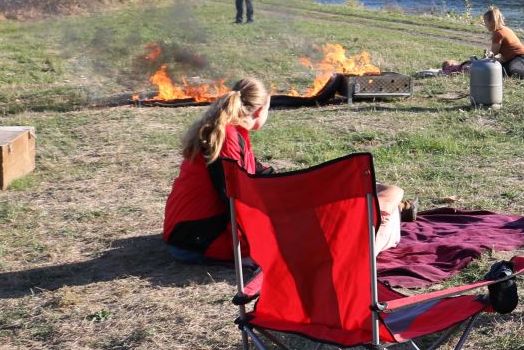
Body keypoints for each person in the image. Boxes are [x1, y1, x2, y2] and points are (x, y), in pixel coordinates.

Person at [162, 77, 407, 263]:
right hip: (198, 240)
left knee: (380, 197)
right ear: (260, 110)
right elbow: (237, 199)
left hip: (192, 234)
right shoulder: (228, 137)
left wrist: (310, 186)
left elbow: (260, 176)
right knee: (378, 208)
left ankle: (379, 217)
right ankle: (371, 233)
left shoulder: (233, 133)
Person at [482, 5, 524, 79]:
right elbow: (505, 55)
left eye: (485, 21)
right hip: (522, 60)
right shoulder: (503, 29)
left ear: (491, 22)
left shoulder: (498, 34)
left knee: (514, 71)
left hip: (522, 59)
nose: (484, 24)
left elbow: (492, 54)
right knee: (502, 72)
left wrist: (480, 61)